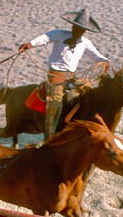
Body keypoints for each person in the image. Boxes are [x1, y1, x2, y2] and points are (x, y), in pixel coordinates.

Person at [18, 8, 109, 139]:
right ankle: (49, 136)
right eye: (76, 27)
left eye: (81, 29)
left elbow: (96, 56)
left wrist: (105, 61)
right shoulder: (59, 34)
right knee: (55, 102)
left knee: (89, 91)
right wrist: (30, 44)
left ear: (85, 31)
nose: (78, 30)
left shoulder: (85, 43)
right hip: (55, 75)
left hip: (71, 76)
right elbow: (45, 38)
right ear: (72, 26)